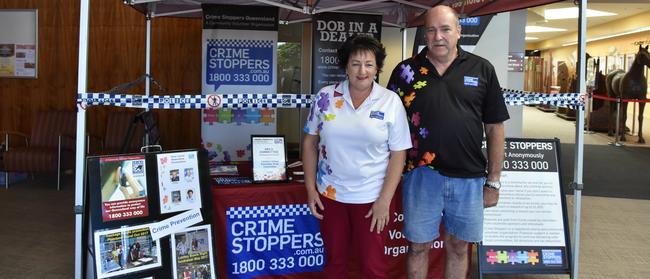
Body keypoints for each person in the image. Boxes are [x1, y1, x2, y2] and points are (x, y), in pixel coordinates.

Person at [387, 5, 509, 279]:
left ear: (458, 32)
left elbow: (495, 128)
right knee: (418, 247)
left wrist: (494, 181)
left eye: (445, 29)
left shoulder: (482, 69)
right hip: (420, 176)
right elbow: (387, 128)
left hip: (469, 177)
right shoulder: (406, 71)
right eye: (431, 30)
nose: (438, 36)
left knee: (458, 247)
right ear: (424, 34)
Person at [302, 34, 412, 278]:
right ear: (345, 66)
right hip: (330, 196)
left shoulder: (390, 101)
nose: (362, 70)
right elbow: (310, 143)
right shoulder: (325, 97)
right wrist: (311, 189)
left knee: (372, 267)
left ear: (377, 68)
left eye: (369, 64)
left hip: (372, 198)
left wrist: (385, 200)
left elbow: (398, 154)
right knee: (335, 264)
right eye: (355, 63)